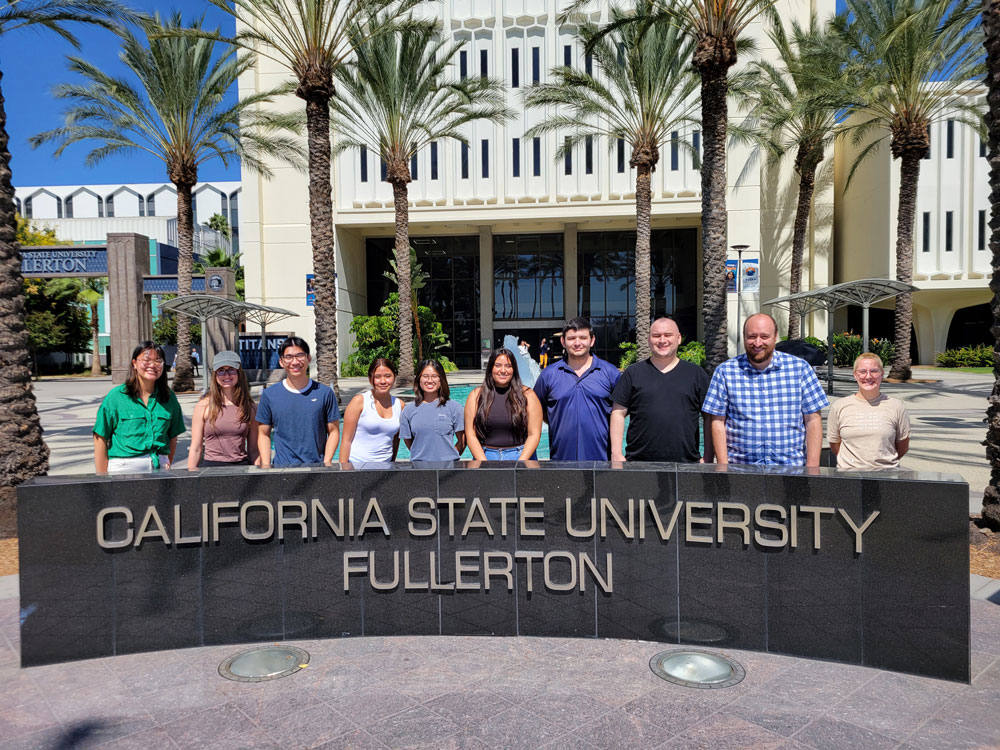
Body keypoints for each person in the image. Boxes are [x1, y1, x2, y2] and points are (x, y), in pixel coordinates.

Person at [703, 313, 828, 466]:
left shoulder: (800, 369)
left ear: (775, 337)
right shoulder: (725, 372)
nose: (757, 342)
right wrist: (723, 466)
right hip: (741, 469)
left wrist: (812, 468)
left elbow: (813, 420)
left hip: (790, 469)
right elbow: (717, 421)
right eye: (752, 336)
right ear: (744, 337)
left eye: (764, 336)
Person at [611, 317, 712, 463]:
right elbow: (618, 413)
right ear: (649, 339)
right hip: (638, 463)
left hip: (687, 463)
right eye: (656, 336)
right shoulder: (633, 373)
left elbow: (709, 417)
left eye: (668, 335)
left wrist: (708, 456)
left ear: (678, 338)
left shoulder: (696, 374)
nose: (662, 340)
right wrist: (616, 453)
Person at [533, 318, 620, 460]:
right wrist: (558, 419)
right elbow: (536, 410)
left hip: (601, 461)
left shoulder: (610, 373)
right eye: (572, 338)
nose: (577, 343)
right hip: (561, 461)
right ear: (563, 342)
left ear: (592, 341)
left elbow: (620, 412)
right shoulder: (549, 375)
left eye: (583, 338)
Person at [93, 341, 185, 474]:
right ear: (134, 363)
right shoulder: (116, 397)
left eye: (158, 361)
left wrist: (165, 460)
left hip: (160, 467)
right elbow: (100, 437)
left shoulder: (169, 397)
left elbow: (172, 437)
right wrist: (101, 478)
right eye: (146, 360)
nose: (152, 365)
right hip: (125, 469)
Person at [256, 337, 340, 467]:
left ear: (308, 358)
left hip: (316, 468)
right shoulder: (270, 395)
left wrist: (327, 462)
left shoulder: (324, 393)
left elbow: (334, 431)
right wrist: (266, 465)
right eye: (288, 357)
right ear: (281, 362)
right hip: (281, 469)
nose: (295, 362)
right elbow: (263, 433)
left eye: (300, 355)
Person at [828, 352, 911, 470]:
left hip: (886, 476)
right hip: (849, 476)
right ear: (855, 375)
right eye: (862, 371)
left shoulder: (896, 406)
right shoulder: (839, 406)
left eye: (874, 371)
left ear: (882, 374)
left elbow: (903, 445)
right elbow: (835, 444)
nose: (868, 376)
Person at [465, 348, 543, 460]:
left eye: (508, 366)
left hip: (521, 455)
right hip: (485, 456)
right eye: (497, 365)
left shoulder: (528, 395)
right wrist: (484, 463)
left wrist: (521, 463)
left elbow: (534, 434)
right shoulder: (476, 396)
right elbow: (471, 435)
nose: (503, 370)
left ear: (514, 369)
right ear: (491, 368)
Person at [187, 351, 260, 468]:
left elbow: (254, 450)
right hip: (210, 469)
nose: (226, 375)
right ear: (215, 375)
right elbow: (196, 448)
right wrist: (189, 479)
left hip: (241, 469)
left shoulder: (250, 407)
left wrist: (261, 475)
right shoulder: (203, 406)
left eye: (231, 370)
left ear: (239, 373)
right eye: (221, 371)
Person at [400, 359, 466, 462]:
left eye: (434, 376)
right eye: (425, 376)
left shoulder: (454, 408)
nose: (430, 380)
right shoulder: (408, 411)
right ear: (418, 379)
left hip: (448, 469)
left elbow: (462, 441)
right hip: (420, 469)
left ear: (441, 379)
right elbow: (409, 441)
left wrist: (450, 458)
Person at [340, 358, 404, 464]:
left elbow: (396, 440)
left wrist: (392, 464)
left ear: (394, 378)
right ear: (370, 379)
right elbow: (346, 441)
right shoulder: (359, 401)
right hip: (357, 466)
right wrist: (343, 470)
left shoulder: (399, 405)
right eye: (377, 377)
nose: (383, 381)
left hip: (385, 467)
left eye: (388, 376)